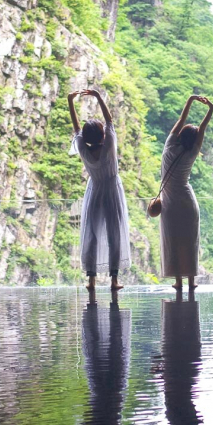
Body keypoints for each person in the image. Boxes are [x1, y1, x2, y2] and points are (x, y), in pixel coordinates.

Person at [68, 88, 132, 300]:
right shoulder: (110, 145)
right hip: (112, 191)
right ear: (103, 134)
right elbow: (110, 120)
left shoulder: (82, 147)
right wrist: (97, 96)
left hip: (94, 191)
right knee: (115, 233)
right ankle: (114, 280)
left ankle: (91, 280)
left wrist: (70, 103)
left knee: (92, 234)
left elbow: (76, 128)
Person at [159, 95, 213, 296]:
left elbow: (180, 120)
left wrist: (190, 101)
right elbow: (203, 128)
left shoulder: (169, 147)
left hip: (170, 203)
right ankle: (191, 281)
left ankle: (178, 281)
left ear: (180, 135)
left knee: (173, 240)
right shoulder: (192, 152)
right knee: (189, 241)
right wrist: (210, 109)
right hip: (188, 201)